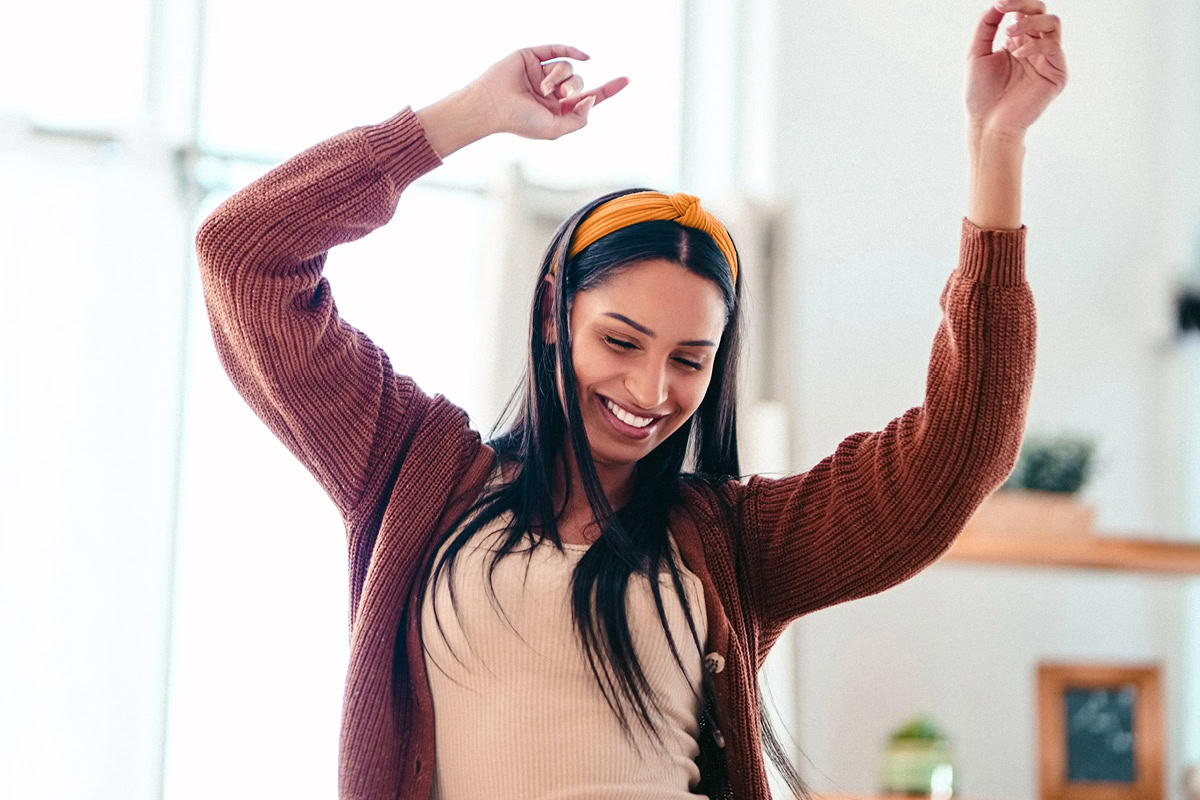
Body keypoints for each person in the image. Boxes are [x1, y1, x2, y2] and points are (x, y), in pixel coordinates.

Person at [193, 2, 1066, 797]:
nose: (651, 391)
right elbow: (244, 254)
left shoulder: (735, 546)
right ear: (552, 316)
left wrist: (999, 148)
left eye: (690, 360)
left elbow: (961, 450)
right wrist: (467, 117)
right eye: (620, 342)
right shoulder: (410, 470)